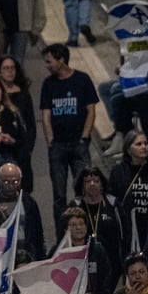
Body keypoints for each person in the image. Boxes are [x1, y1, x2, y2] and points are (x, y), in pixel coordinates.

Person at [39, 44, 98, 233]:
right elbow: (46, 115)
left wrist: (85, 137)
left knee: (84, 190)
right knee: (59, 195)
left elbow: (91, 110)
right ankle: (62, 235)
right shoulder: (48, 84)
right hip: (58, 146)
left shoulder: (82, 80)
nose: (47, 66)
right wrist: (51, 142)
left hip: (79, 145)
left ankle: (86, 230)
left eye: (49, 61)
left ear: (61, 59)